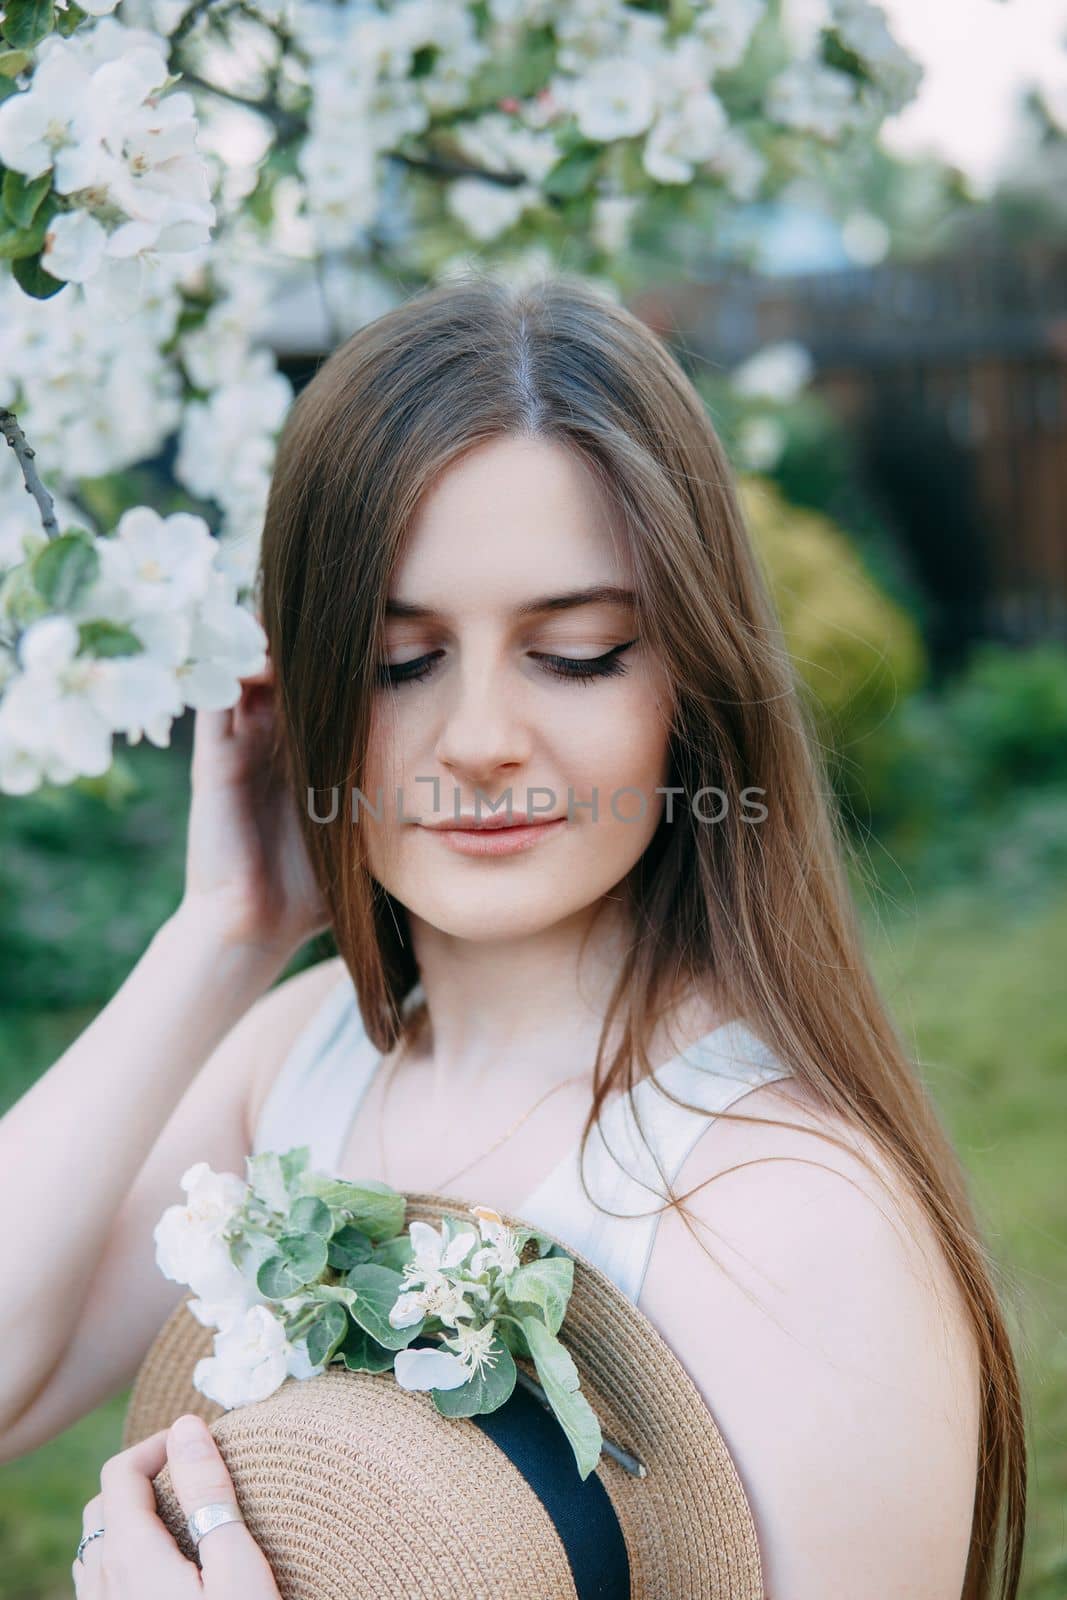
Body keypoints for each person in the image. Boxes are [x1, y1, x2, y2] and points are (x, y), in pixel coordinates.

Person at [0, 273, 1024, 1599]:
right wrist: (220, 933)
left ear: (691, 686)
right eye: (395, 662)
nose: (481, 740)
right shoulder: (293, 1065)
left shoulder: (786, 1218)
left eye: (581, 651)